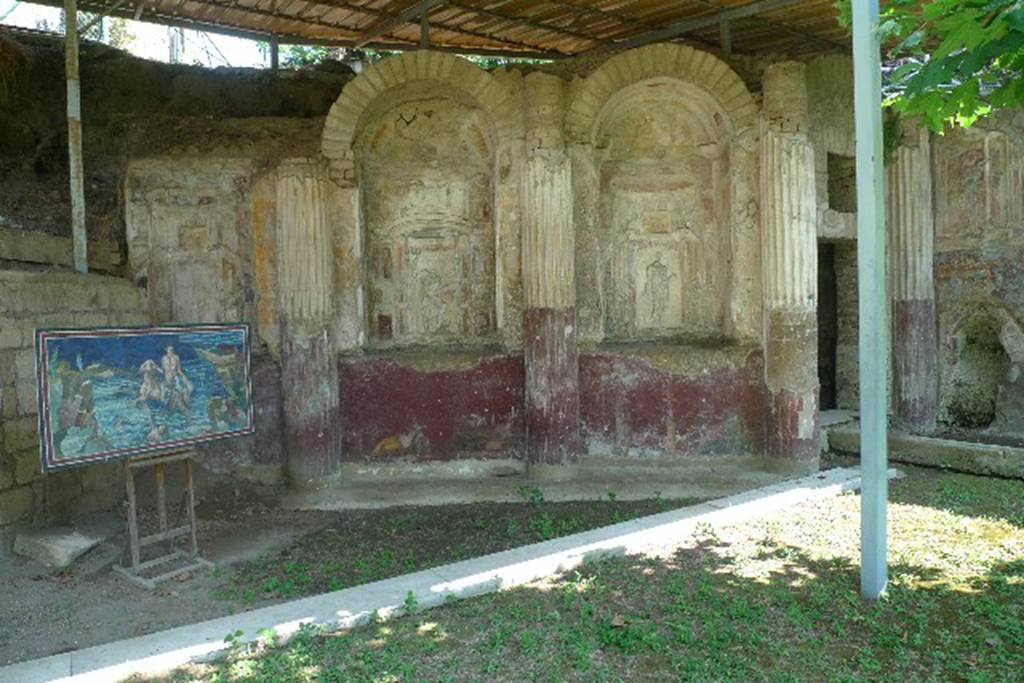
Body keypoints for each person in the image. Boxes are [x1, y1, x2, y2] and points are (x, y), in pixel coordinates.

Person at [161, 345, 193, 414]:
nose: (171, 351)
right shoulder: (163, 358)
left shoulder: (176, 357)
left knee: (183, 390)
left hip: (175, 377)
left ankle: (187, 405)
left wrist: (185, 379)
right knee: (165, 394)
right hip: (167, 378)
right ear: (166, 350)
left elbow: (179, 370)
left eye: (172, 350)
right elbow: (163, 370)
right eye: (170, 350)